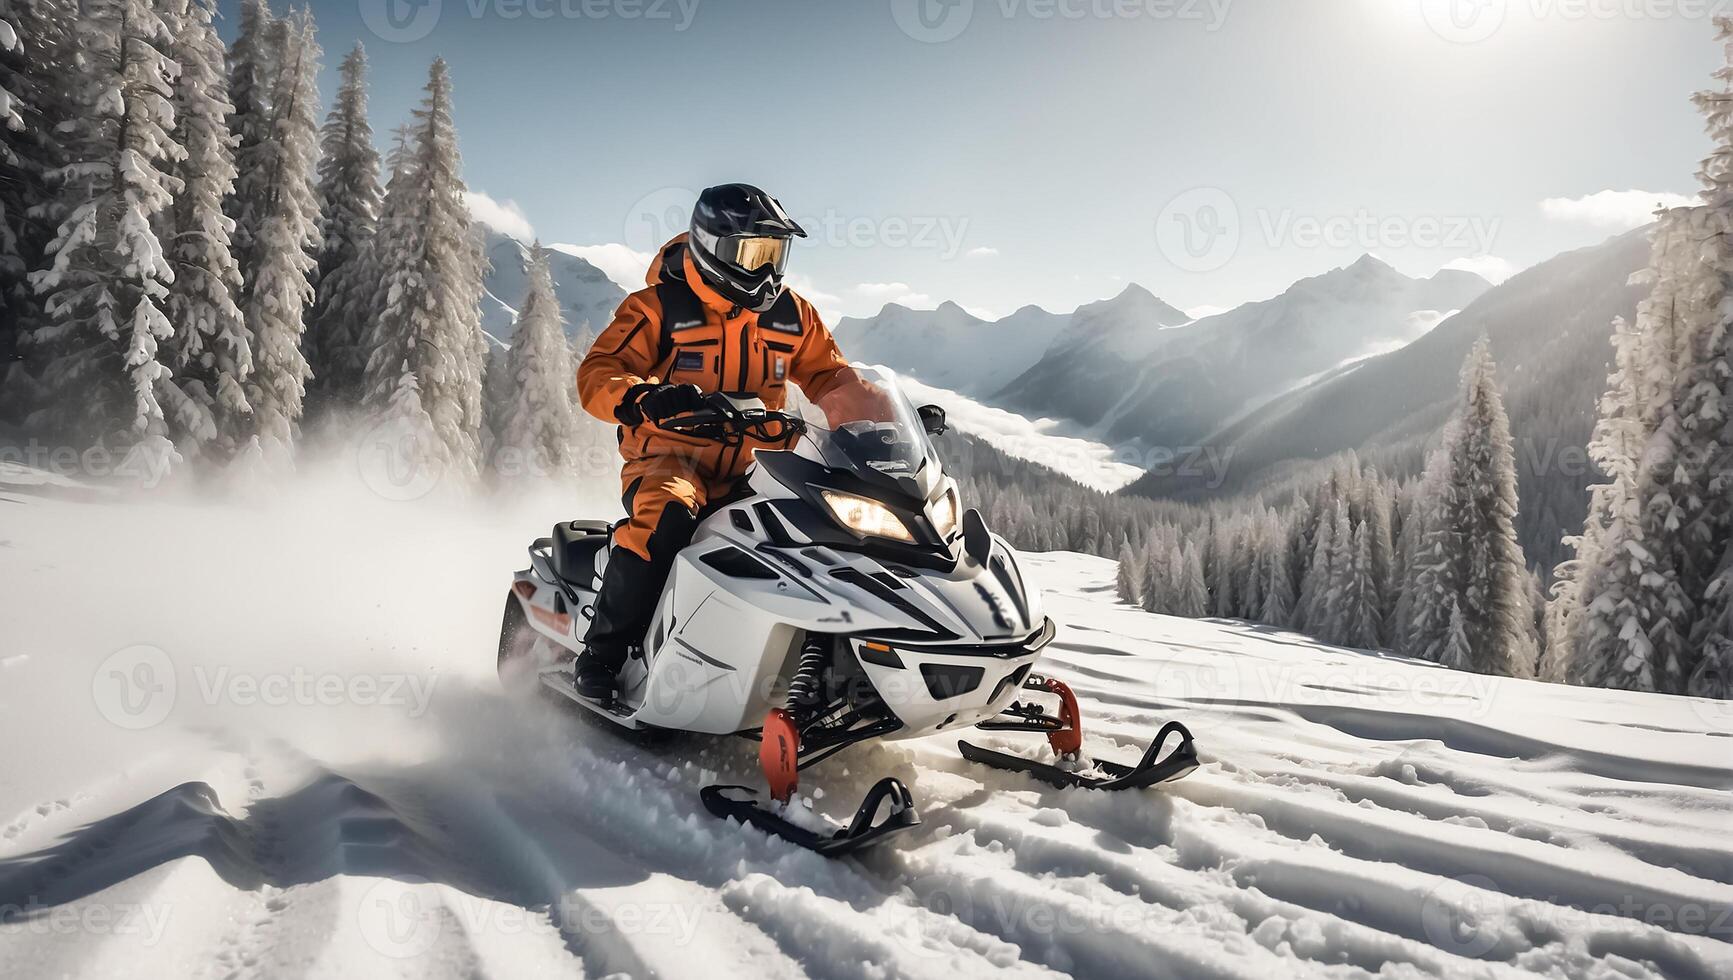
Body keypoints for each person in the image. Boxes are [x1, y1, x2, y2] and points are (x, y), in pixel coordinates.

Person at [571, 183, 885, 700]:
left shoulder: (791, 316)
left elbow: (831, 378)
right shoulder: (660, 309)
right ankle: (602, 656)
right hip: (669, 460)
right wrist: (642, 399)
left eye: (774, 254)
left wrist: (881, 419)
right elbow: (600, 372)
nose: (765, 271)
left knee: (823, 533)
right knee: (665, 517)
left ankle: (826, 663)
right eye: (751, 253)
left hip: (760, 465)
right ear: (711, 246)